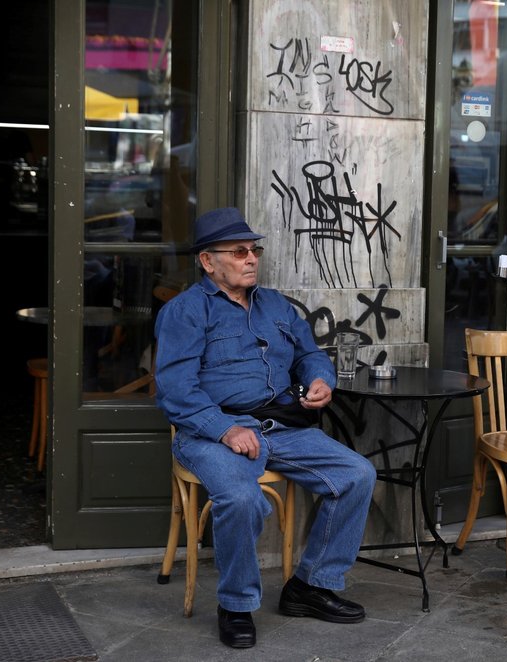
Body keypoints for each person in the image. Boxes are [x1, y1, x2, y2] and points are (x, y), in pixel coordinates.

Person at [154, 207, 377, 649]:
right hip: (212, 432)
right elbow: (175, 390)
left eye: (254, 249)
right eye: (238, 251)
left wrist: (319, 379)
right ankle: (236, 605)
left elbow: (308, 353)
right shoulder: (186, 311)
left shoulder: (275, 303)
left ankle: (309, 586)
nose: (251, 257)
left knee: (357, 475)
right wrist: (224, 429)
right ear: (208, 261)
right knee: (240, 498)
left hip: (280, 426)